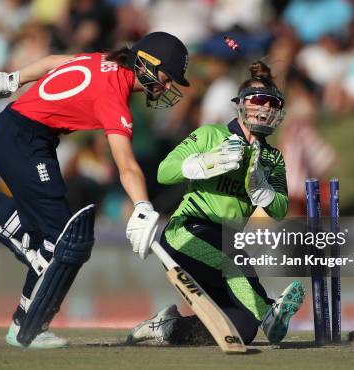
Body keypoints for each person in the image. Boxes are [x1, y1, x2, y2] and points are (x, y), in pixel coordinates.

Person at [0, 31, 190, 348]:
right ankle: (27, 328)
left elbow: (53, 62)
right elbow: (127, 165)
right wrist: (143, 206)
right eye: (168, 76)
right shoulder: (113, 94)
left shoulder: (105, 60)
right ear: (146, 63)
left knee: (52, 241)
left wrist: (12, 80)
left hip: (25, 137)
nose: (170, 86)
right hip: (22, 142)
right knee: (62, 241)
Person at [127, 61, 305, 347]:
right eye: (259, 100)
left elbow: (281, 208)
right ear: (241, 105)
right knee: (234, 259)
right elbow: (163, 171)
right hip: (186, 231)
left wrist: (264, 191)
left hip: (225, 241)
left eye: (273, 104)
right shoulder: (211, 135)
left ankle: (167, 327)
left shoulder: (272, 158)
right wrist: (204, 162)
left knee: (241, 328)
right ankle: (269, 313)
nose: (266, 108)